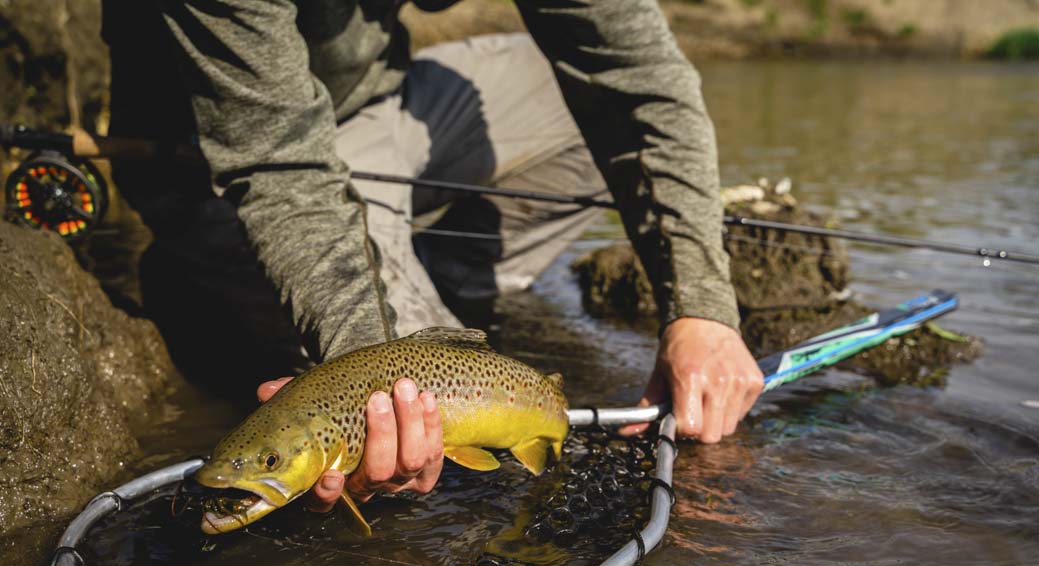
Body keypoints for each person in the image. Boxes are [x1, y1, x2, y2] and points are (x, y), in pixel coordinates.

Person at [102, 0, 763, 513]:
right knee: (413, 460)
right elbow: (280, 161)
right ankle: (237, 273)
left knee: (584, 106)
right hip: (225, 153)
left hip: (377, 108)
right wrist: (373, 374)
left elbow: (639, 77)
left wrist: (702, 311)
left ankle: (440, 293)